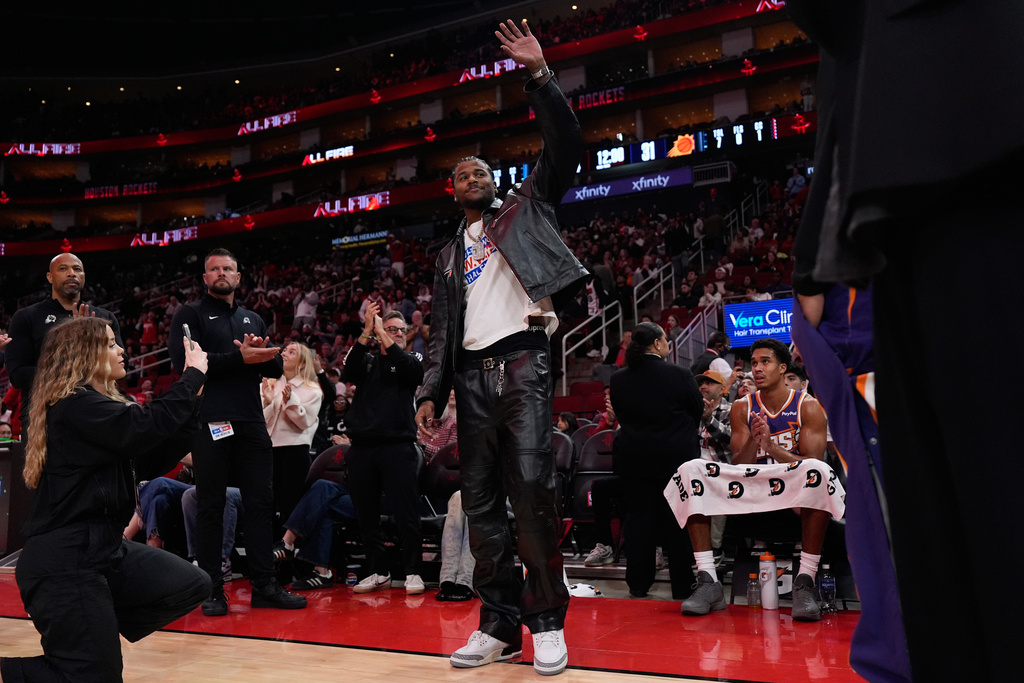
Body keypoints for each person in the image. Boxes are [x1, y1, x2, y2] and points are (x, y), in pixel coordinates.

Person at [414, 19, 587, 677]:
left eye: (482, 170)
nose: (474, 176)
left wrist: (540, 75)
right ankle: (497, 624)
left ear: (495, 181)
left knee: (532, 493)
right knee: (482, 506)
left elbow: (565, 144)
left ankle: (547, 624)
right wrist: (429, 391)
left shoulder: (527, 206)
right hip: (468, 377)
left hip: (522, 362)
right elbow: (439, 332)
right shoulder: (445, 256)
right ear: (452, 190)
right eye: (463, 173)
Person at [0, 318, 210, 682]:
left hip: (105, 550)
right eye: (111, 344)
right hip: (66, 559)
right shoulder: (73, 404)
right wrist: (190, 378)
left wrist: (193, 403)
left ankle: (95, 623)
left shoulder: (99, 406)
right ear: (84, 354)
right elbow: (142, 427)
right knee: (95, 677)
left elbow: (148, 459)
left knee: (192, 584)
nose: (122, 350)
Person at [169, 247, 306, 616]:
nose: (221, 273)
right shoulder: (190, 314)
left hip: (251, 421)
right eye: (214, 269)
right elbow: (184, 363)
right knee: (211, 505)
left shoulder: (253, 319)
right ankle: (212, 589)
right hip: (210, 420)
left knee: (262, 504)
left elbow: (274, 368)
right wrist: (240, 358)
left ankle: (265, 586)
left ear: (239, 276)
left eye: (228, 268)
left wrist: (260, 352)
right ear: (205, 278)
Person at [680, 338, 829, 622]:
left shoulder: (807, 406)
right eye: (755, 363)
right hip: (751, 489)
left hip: (793, 490)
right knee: (691, 468)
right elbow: (739, 464)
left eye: (765, 362)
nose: (757, 368)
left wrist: (772, 448)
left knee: (818, 472)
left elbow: (813, 464)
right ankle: (708, 579)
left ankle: (805, 581)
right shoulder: (742, 406)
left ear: (783, 368)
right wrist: (755, 442)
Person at [610, 322, 702, 599]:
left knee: (639, 521)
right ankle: (682, 586)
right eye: (665, 339)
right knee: (677, 521)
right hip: (676, 459)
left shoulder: (619, 378)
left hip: (635, 459)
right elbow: (696, 410)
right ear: (658, 343)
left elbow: (621, 415)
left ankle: (638, 584)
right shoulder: (680, 374)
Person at [342, 304, 425, 595]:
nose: (398, 334)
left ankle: (413, 571)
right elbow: (348, 371)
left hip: (398, 446)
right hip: (362, 447)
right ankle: (378, 571)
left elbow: (410, 370)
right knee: (366, 514)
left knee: (406, 513)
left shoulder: (412, 358)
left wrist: (384, 335)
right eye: (391, 329)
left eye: (402, 330)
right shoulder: (367, 360)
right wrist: (367, 331)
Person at [5, 252, 124, 436]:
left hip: (97, 414)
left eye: (77, 269)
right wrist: (75, 368)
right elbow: (18, 374)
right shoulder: (27, 317)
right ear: (50, 277)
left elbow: (123, 365)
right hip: (43, 419)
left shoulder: (104, 318)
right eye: (63, 269)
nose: (71, 273)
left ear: (84, 276)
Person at [262, 342, 323, 527]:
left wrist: (290, 401)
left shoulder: (312, 390)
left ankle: (286, 543)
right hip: (268, 450)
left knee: (290, 504)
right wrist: (268, 402)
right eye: (284, 350)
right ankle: (266, 542)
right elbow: (259, 421)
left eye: (291, 352)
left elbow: (303, 423)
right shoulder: (268, 384)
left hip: (295, 450)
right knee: (265, 503)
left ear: (302, 363)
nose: (284, 353)